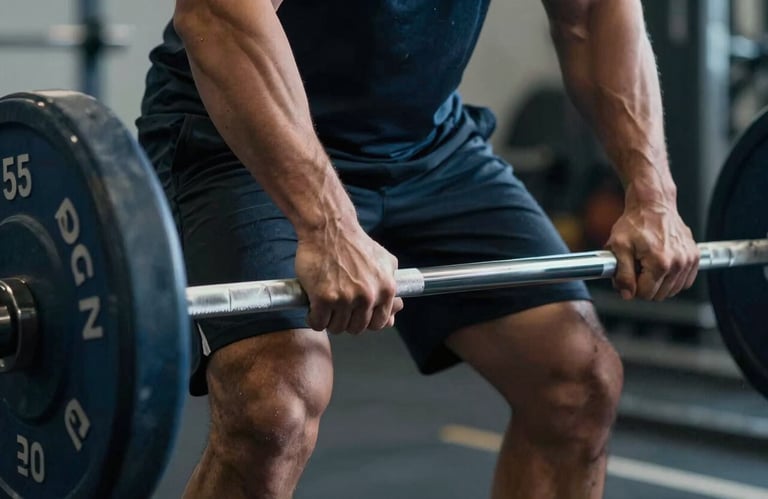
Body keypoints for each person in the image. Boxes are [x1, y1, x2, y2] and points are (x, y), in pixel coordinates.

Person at [137, 0, 699, 497]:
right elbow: (220, 14)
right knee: (274, 404)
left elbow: (592, 15)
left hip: (425, 141)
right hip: (243, 136)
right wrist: (329, 223)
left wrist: (651, 190)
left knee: (576, 379)